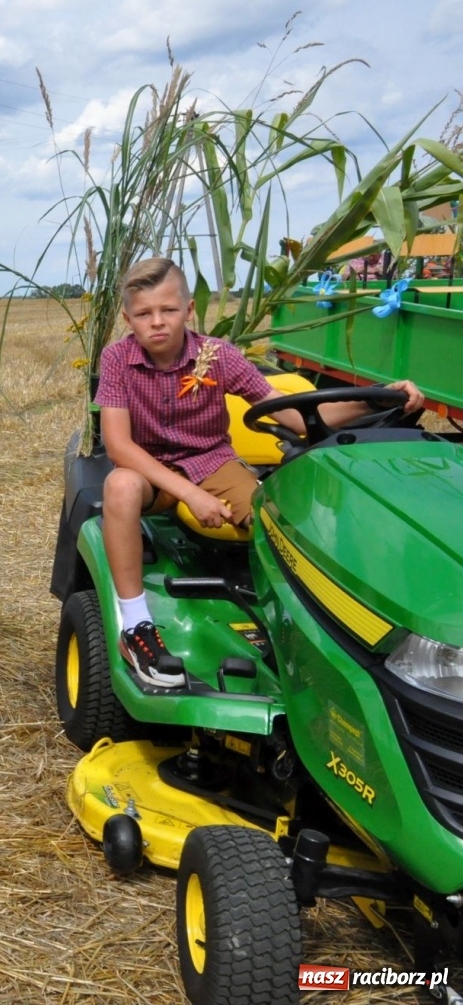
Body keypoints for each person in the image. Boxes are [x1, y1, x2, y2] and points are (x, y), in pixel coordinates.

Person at [97, 257, 424, 687]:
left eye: (168, 310)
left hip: (213, 462)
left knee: (277, 516)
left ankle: (299, 627)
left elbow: (293, 415)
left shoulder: (217, 357)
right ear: (128, 318)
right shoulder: (118, 359)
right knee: (118, 486)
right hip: (151, 470)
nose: (158, 322)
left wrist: (378, 399)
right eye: (144, 314)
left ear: (190, 309)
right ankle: (136, 626)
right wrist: (192, 495)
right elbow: (120, 446)